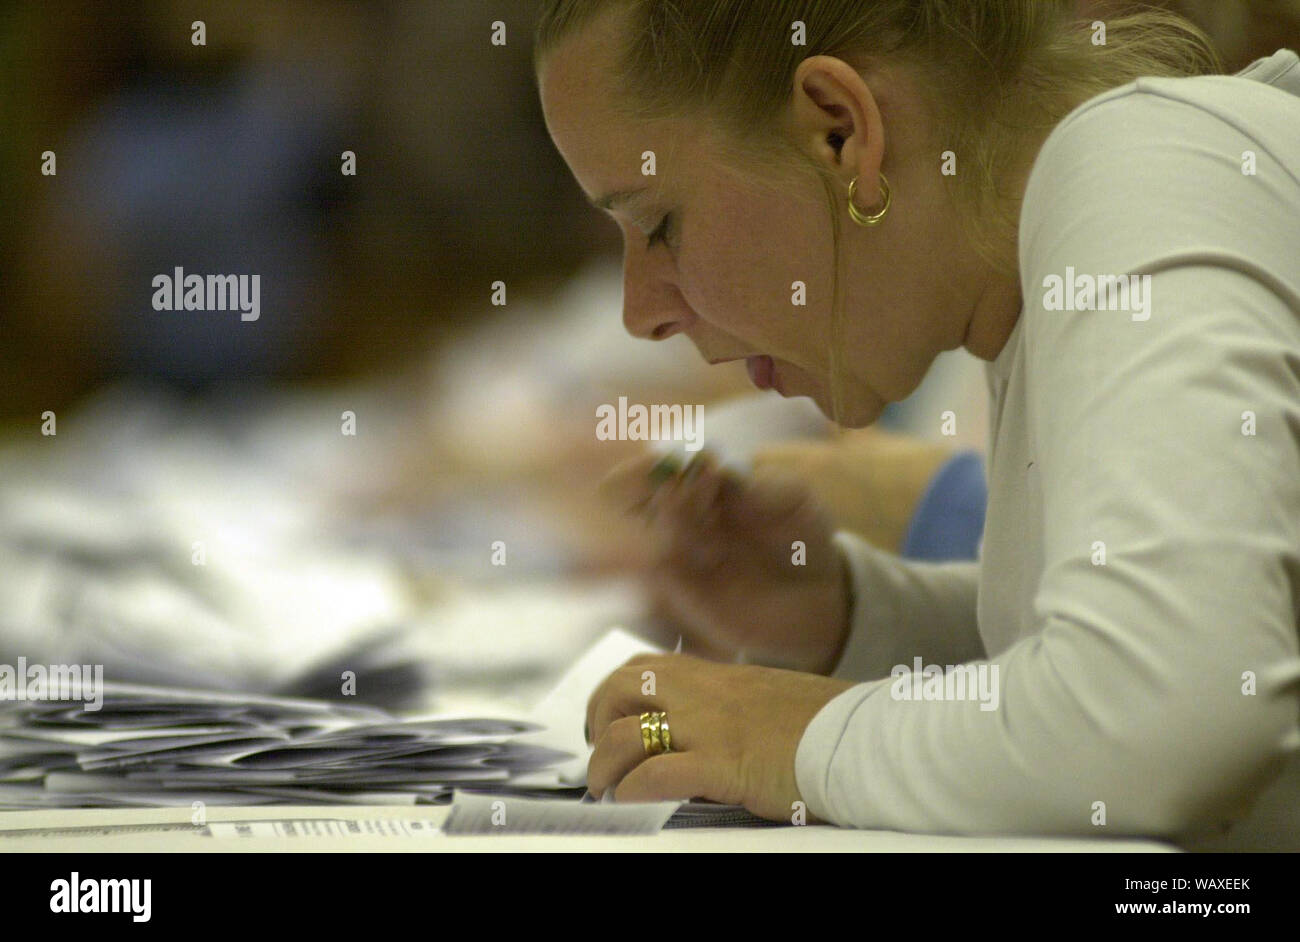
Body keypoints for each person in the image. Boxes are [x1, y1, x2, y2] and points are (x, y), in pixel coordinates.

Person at [534, 0, 1300, 850]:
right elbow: (1109, 651)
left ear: (839, 131)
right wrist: (854, 620)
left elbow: (1172, 714)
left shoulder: (1140, 167)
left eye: (657, 224)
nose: (640, 314)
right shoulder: (1056, 251)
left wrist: (790, 739)